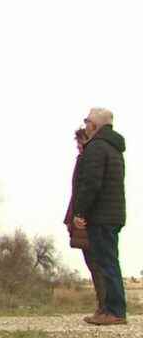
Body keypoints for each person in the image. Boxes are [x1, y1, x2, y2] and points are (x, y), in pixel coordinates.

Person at [73, 108, 127, 326]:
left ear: (94, 125)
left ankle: (113, 311)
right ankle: (112, 309)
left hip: (102, 215)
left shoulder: (96, 147)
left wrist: (80, 212)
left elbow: (91, 183)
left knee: (106, 263)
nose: (85, 125)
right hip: (114, 214)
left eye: (87, 121)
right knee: (109, 262)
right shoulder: (114, 148)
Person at [64, 128, 105, 317]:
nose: (79, 146)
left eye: (81, 142)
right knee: (95, 263)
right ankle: (104, 305)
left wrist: (78, 215)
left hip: (88, 218)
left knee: (97, 263)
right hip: (86, 216)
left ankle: (105, 306)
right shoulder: (86, 159)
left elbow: (85, 190)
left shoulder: (88, 161)